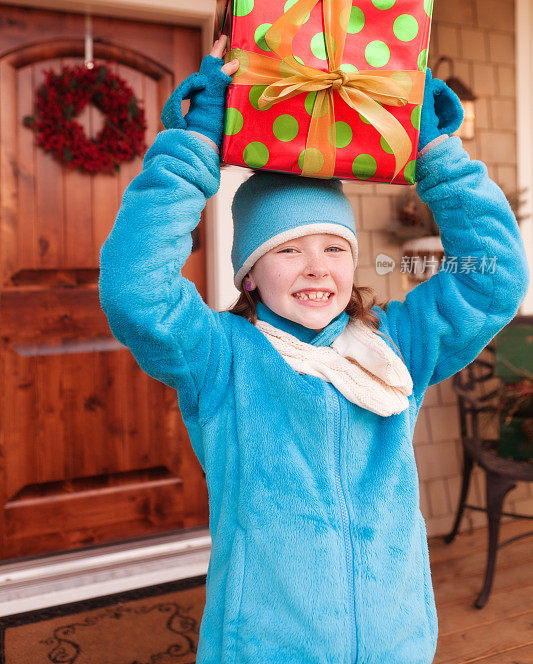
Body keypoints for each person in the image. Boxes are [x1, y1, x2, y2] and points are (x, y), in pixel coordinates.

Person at [99, 35, 529, 664]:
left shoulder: (396, 346)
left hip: (396, 641)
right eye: (287, 249)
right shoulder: (221, 359)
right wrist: (194, 149)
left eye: (333, 248)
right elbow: (136, 289)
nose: (315, 268)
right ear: (248, 273)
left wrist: (438, 159)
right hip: (265, 646)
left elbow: (493, 279)